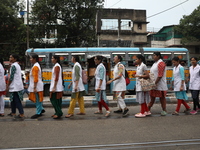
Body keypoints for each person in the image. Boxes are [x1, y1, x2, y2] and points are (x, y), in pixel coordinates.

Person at [28, 53, 45, 119]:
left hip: (37, 86)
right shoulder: (36, 66)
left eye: (31, 58)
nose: (30, 60)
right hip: (38, 85)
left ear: (34, 59)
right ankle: (41, 109)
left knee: (37, 100)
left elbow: (35, 78)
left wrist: (34, 87)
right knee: (38, 99)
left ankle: (38, 112)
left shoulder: (35, 67)